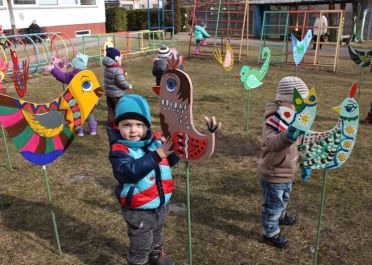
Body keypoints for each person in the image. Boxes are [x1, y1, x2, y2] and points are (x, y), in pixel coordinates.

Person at [108, 94, 179, 265]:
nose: (133, 130)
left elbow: (169, 161)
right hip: (138, 210)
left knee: (156, 238)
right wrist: (157, 154)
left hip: (160, 205)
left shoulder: (155, 142)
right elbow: (127, 172)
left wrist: (174, 151)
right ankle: (138, 261)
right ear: (118, 126)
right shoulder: (119, 150)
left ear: (147, 125)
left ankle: (155, 256)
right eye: (127, 125)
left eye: (139, 125)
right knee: (141, 246)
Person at [257, 76, 309, 248]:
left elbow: (302, 143)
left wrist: (305, 162)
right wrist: (288, 135)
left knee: (285, 197)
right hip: (274, 171)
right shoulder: (274, 119)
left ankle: (282, 215)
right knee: (273, 203)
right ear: (284, 102)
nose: (302, 107)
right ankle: (270, 232)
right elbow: (271, 143)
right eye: (298, 103)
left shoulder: (299, 119)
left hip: (288, 169)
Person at [44, 52, 98, 136]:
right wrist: (96, 99)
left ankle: (80, 131)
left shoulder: (73, 76)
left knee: (78, 116)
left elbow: (62, 77)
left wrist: (52, 69)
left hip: (77, 102)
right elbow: (96, 87)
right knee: (90, 115)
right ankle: (93, 130)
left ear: (75, 66)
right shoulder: (89, 75)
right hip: (89, 101)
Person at [102, 47, 132, 128]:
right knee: (119, 110)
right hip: (117, 95)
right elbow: (121, 82)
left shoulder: (107, 67)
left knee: (111, 110)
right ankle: (119, 124)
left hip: (109, 94)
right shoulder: (118, 69)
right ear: (116, 58)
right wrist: (128, 85)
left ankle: (111, 124)